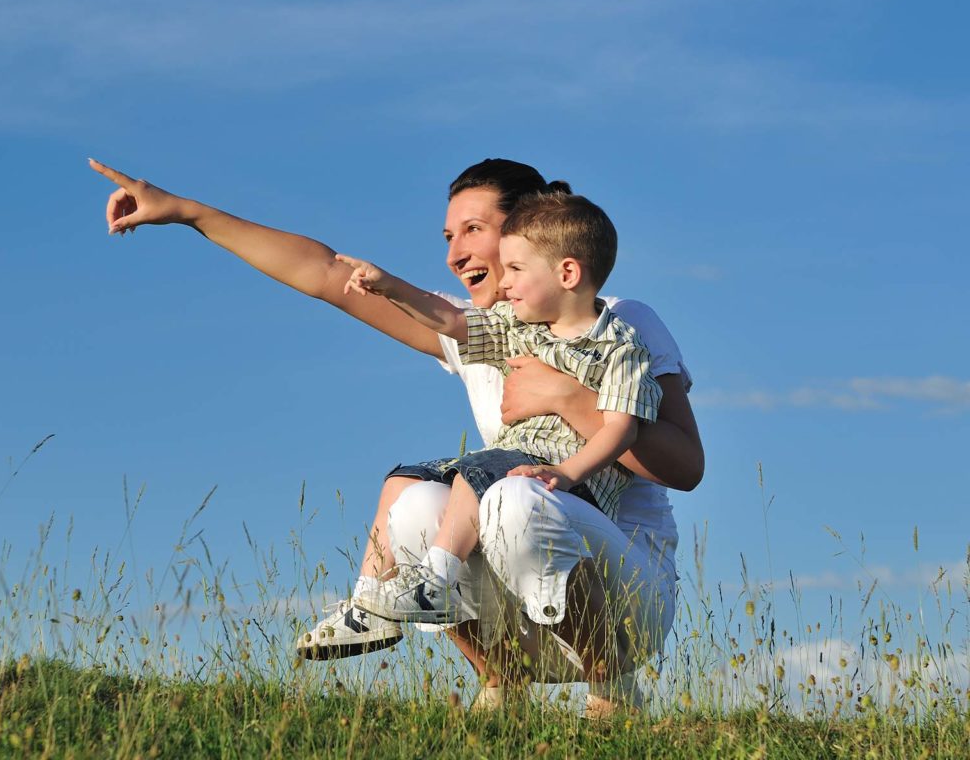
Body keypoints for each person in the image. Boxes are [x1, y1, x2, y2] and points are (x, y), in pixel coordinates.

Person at [89, 157, 704, 714]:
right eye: (447, 237)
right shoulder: (481, 332)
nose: (454, 254)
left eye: (473, 231)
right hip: (526, 595)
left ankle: (612, 690)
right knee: (417, 505)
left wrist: (569, 399)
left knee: (515, 500)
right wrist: (188, 212)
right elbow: (325, 273)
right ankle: (504, 685)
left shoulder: (619, 322)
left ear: (532, 234)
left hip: (626, 597)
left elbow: (685, 467)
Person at [335, 192, 660, 665]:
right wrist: (390, 288)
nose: (504, 285)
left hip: (575, 490)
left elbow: (621, 430)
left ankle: (437, 581)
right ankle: (372, 602)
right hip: (513, 469)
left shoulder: (621, 347)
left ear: (567, 274)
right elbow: (450, 320)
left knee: (478, 470)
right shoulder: (518, 328)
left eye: (516, 271)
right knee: (415, 479)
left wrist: (569, 472)